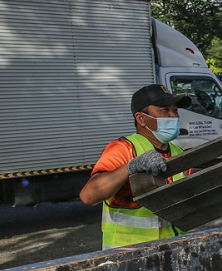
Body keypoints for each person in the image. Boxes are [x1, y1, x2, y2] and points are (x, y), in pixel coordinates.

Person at [79, 84, 192, 249]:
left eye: (175, 110)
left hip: (172, 250)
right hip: (129, 256)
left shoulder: (177, 152)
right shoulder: (123, 148)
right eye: (164, 110)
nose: (173, 116)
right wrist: (130, 167)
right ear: (141, 118)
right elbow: (88, 196)